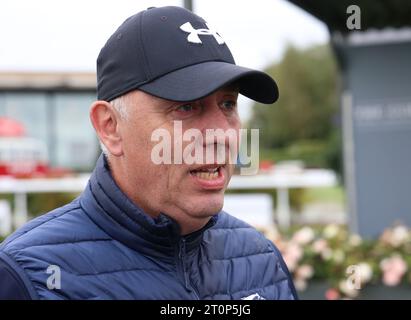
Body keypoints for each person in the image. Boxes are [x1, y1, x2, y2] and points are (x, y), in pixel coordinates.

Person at [0, 6, 297, 300]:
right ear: (110, 127)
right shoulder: (29, 278)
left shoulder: (261, 259)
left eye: (228, 104)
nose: (221, 133)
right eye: (186, 106)